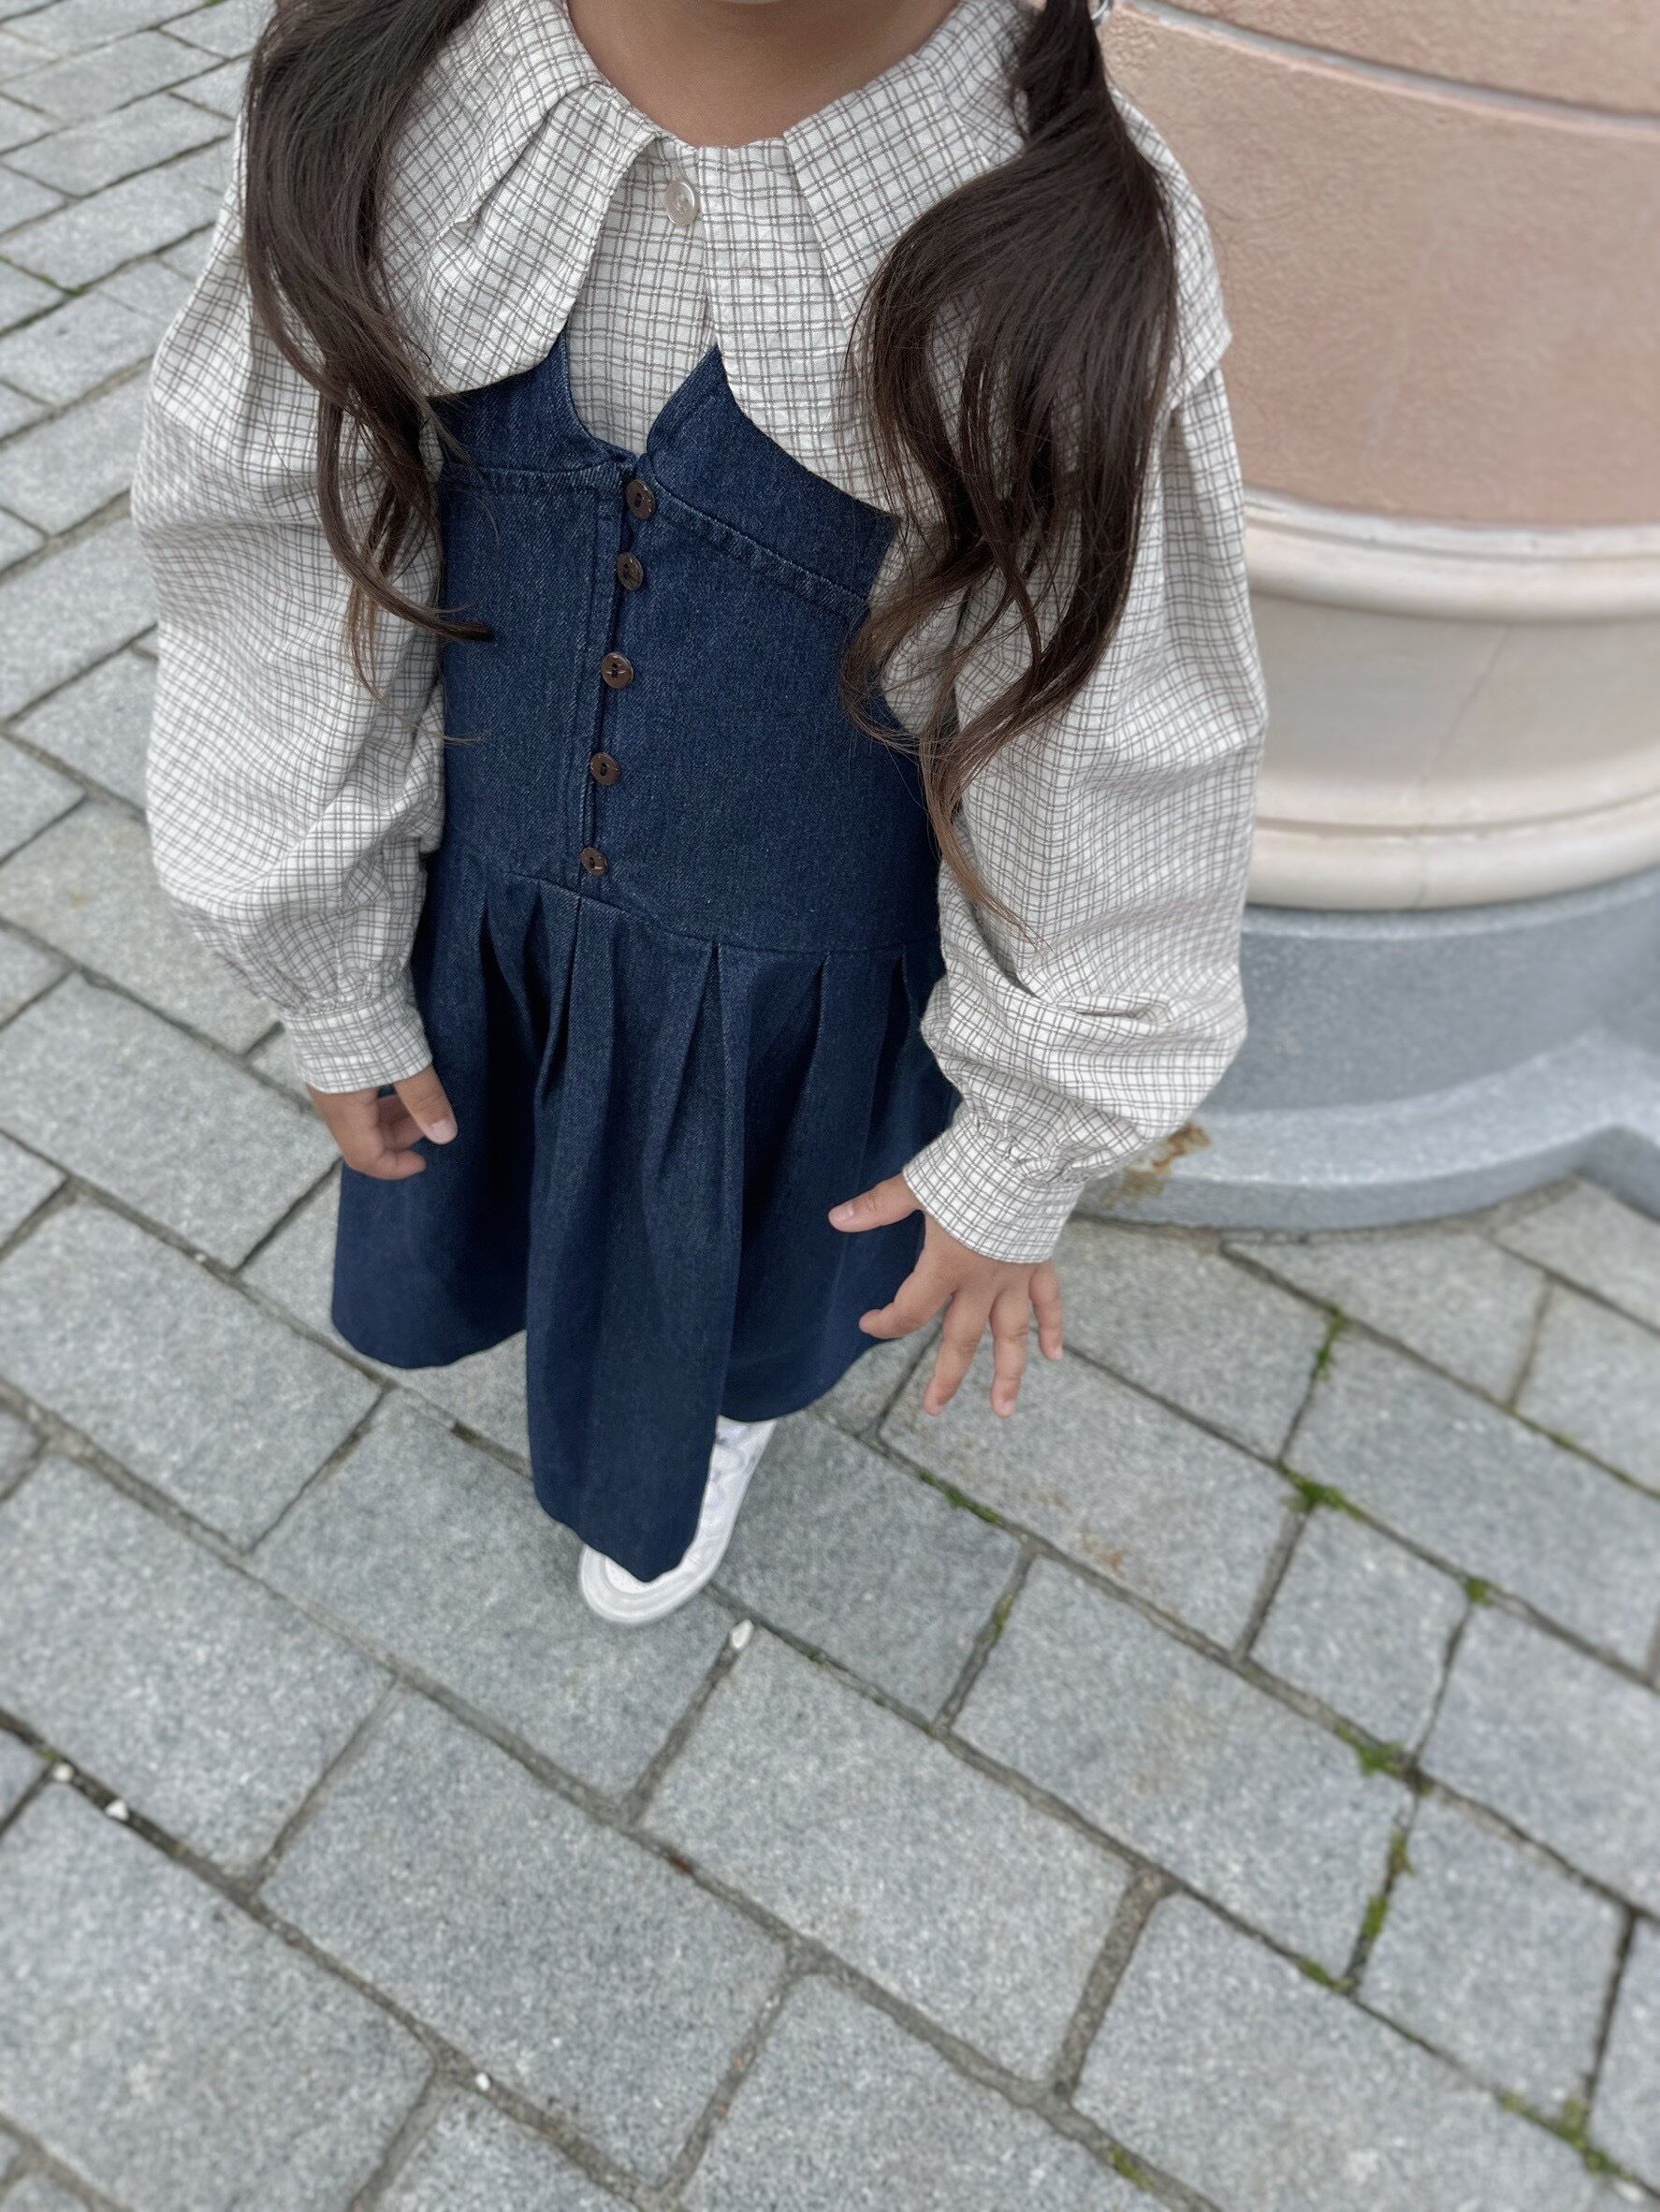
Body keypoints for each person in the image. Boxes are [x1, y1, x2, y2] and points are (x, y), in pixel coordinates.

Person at [133, 0, 1267, 1625]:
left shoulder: (1060, 242)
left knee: (746, 1267)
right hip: (493, 910)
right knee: (511, 1169)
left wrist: (1030, 1136)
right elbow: (275, 572)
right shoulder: (384, 91)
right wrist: (321, 963)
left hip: (795, 990)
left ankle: (714, 1413)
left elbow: (1110, 750)